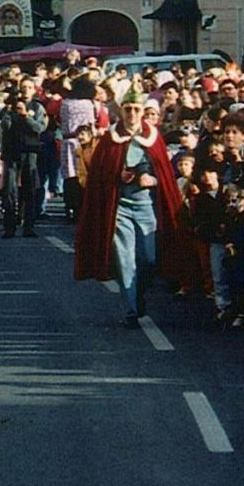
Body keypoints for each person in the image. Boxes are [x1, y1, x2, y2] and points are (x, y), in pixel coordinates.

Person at [73, 86, 189, 329]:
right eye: (128, 109)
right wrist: (118, 174)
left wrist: (153, 180)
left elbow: (166, 175)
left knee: (148, 258)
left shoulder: (154, 138)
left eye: (137, 109)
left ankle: (139, 294)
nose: (132, 114)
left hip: (147, 206)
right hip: (120, 207)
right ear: (121, 111)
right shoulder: (110, 139)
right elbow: (99, 176)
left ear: (144, 112)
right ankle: (131, 310)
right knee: (125, 259)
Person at [0, 86, 45, 238]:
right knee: (9, 190)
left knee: (29, 190)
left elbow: (39, 128)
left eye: (29, 87)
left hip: (29, 152)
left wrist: (26, 116)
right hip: (12, 152)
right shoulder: (8, 108)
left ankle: (29, 226)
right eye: (23, 88)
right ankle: (9, 227)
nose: (26, 91)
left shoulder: (37, 107)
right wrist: (9, 110)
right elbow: (5, 126)